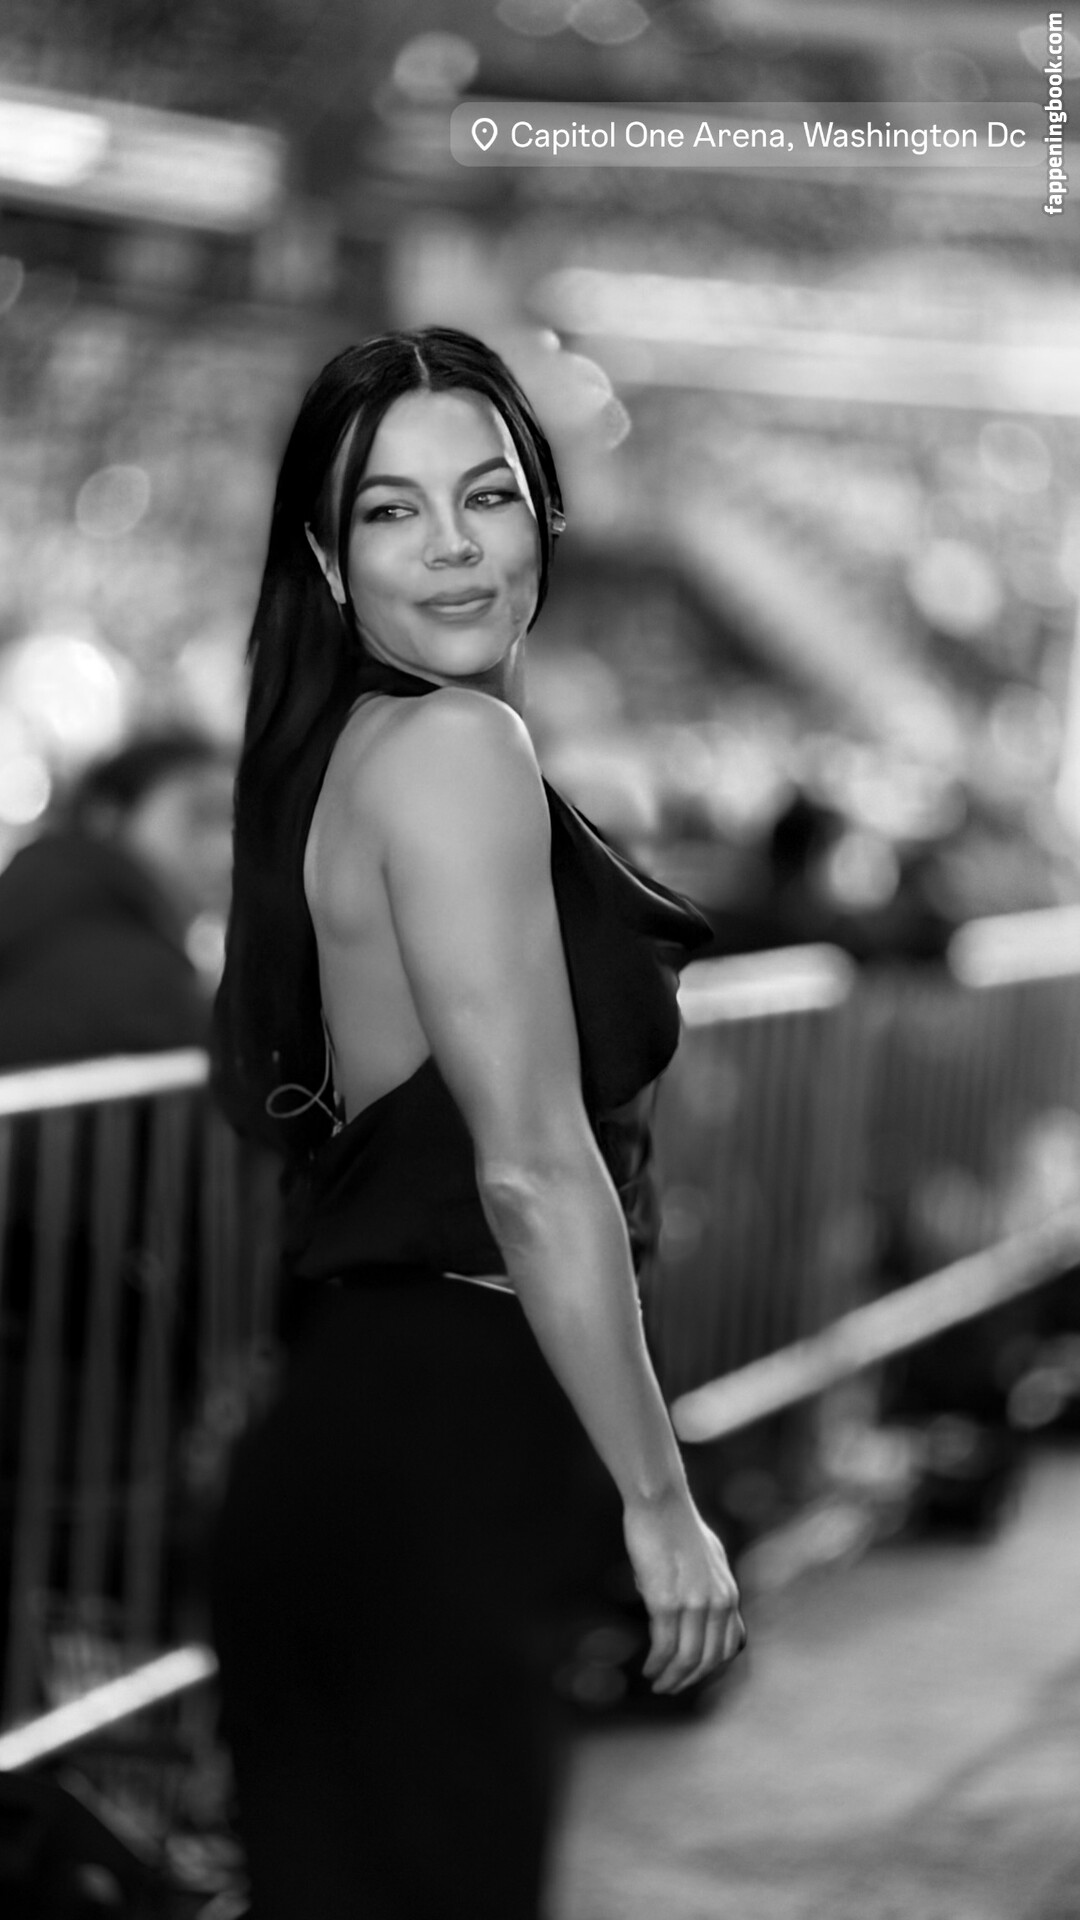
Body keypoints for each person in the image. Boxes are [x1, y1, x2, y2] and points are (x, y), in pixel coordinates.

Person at [209, 327, 744, 1920]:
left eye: (488, 494)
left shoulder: (346, 752)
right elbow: (526, 1168)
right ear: (328, 559)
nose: (451, 544)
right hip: (437, 1456)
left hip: (366, 1439)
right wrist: (660, 1501)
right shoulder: (454, 748)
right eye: (390, 509)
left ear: (547, 519)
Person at [0, 728, 234, 1068]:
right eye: (200, 816)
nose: (226, 850)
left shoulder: (34, 902)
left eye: (236, 825)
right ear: (106, 817)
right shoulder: (140, 980)